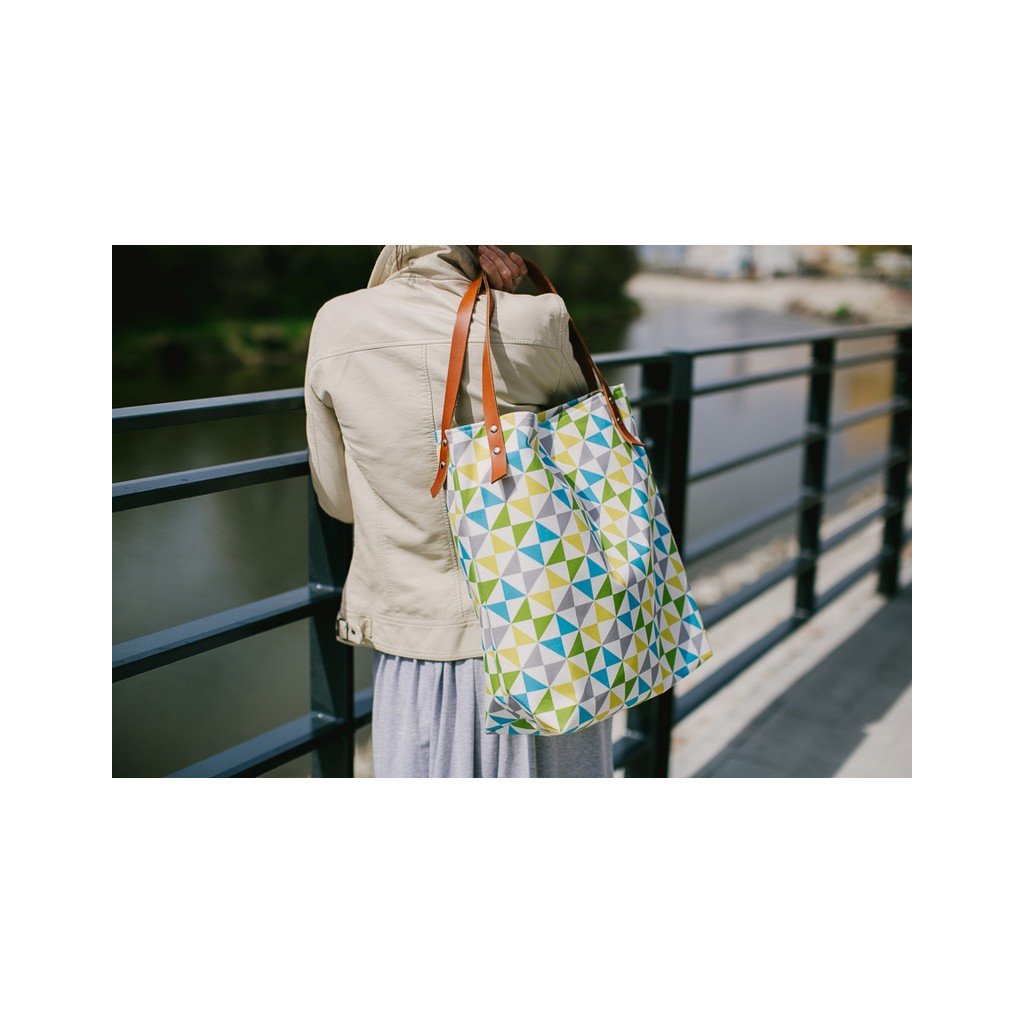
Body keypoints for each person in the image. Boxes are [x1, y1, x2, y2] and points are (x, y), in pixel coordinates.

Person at [304, 245, 615, 778]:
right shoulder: (535, 319)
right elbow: (587, 454)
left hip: (417, 640)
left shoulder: (338, 323)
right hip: (550, 639)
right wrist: (504, 301)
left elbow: (337, 500)